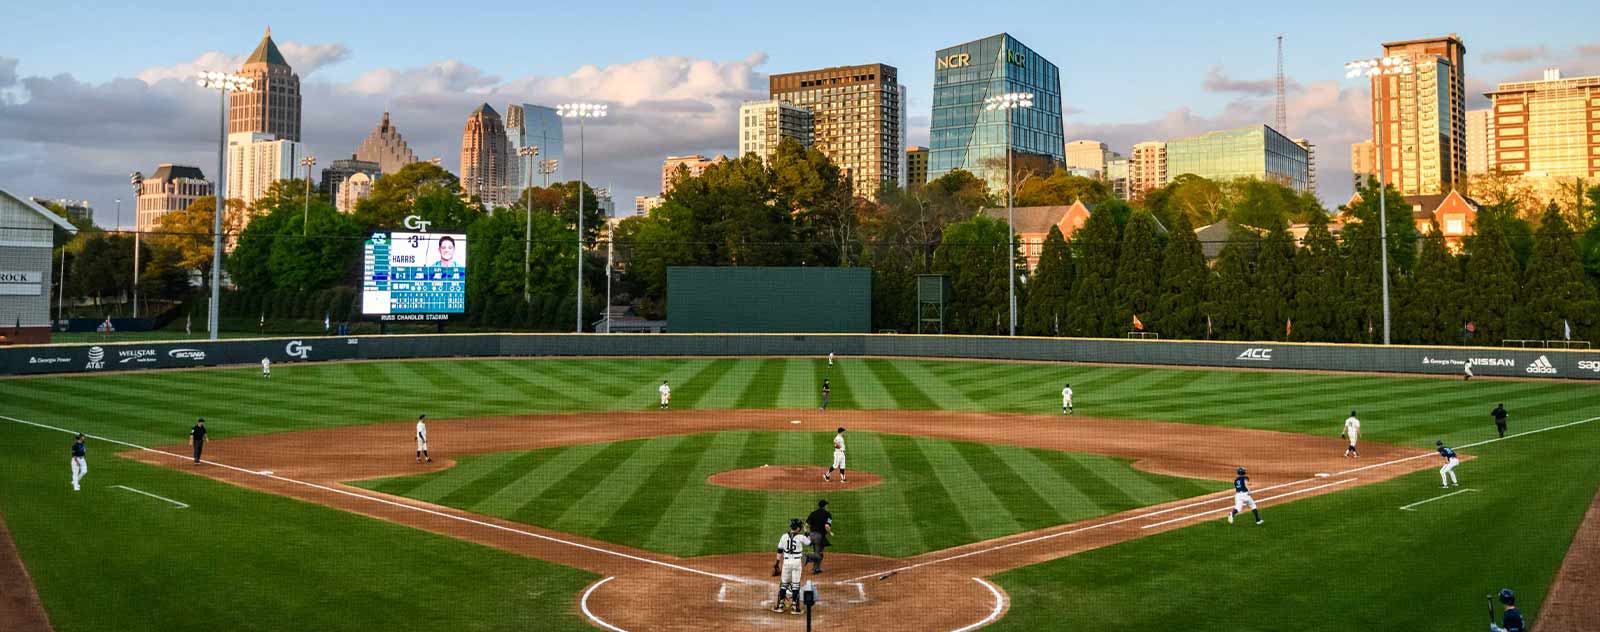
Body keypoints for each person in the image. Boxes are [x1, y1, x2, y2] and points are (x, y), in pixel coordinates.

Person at [772, 519, 811, 615]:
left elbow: (779, 550)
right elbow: (809, 542)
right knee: (796, 584)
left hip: (786, 562)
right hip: (797, 563)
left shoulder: (784, 536)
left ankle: (780, 606)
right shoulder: (801, 537)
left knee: (784, 584)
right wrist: (806, 531)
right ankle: (795, 608)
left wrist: (777, 563)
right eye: (801, 527)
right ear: (798, 528)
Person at [806, 500, 834, 573]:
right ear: (825, 506)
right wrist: (830, 532)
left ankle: (816, 568)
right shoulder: (827, 514)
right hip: (819, 536)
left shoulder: (813, 513)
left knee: (818, 552)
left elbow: (806, 525)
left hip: (812, 535)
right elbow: (827, 526)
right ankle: (808, 557)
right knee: (819, 553)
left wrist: (807, 534)